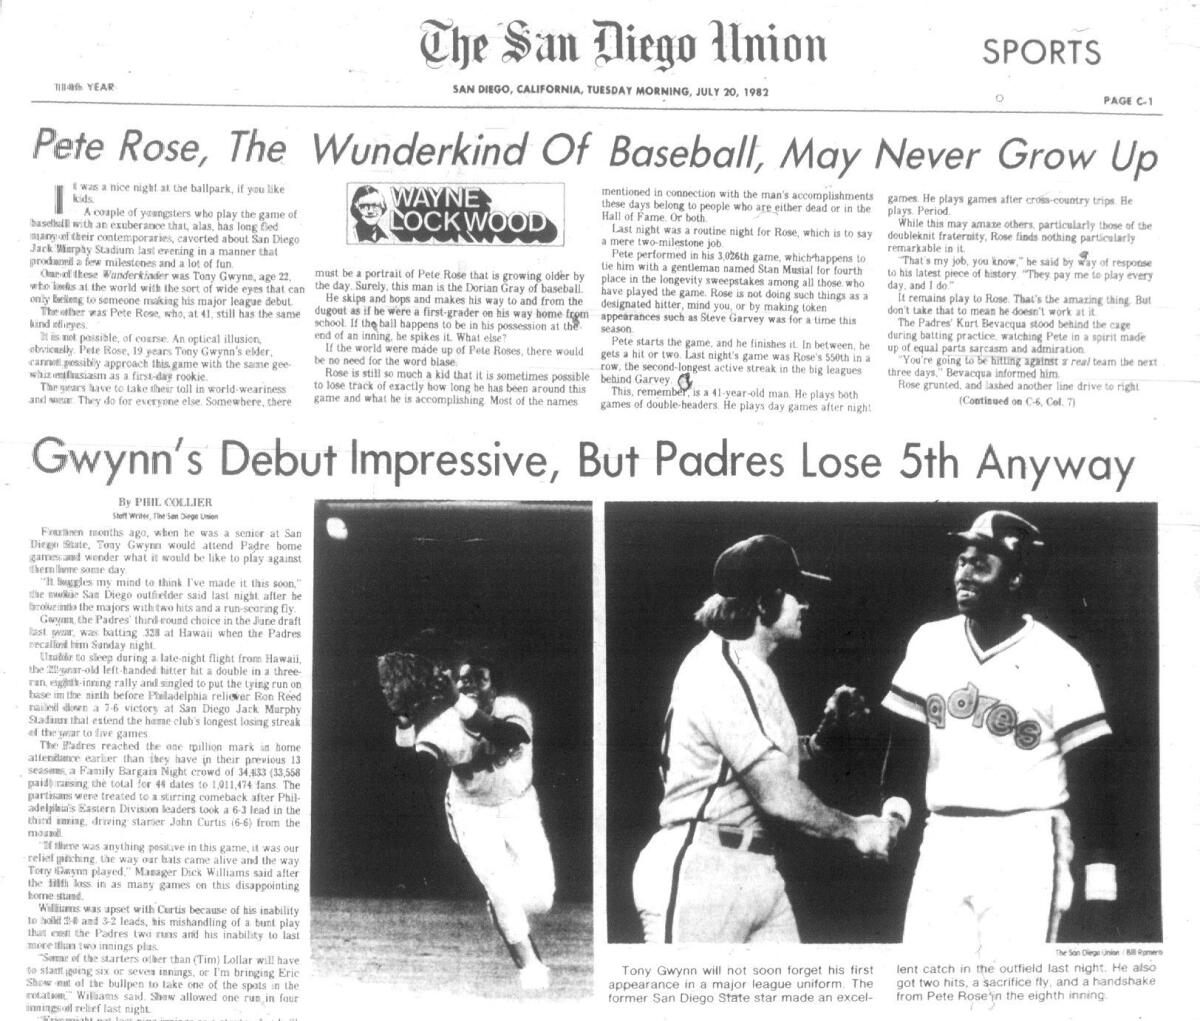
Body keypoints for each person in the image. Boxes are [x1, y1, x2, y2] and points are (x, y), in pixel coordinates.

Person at [632, 534, 897, 944]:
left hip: (755, 871)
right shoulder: (720, 670)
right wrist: (855, 828)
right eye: (795, 593)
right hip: (702, 868)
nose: (804, 604)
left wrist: (821, 739)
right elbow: (775, 792)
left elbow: (743, 765)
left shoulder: (748, 668)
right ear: (762, 602)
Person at [880, 510, 1117, 951]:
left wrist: (1100, 883)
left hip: (1024, 841)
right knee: (925, 990)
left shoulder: (1061, 662)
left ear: (1015, 579)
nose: (963, 573)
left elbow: (1096, 781)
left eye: (980, 564)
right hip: (943, 835)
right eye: (961, 561)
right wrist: (894, 816)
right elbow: (907, 746)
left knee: (1013, 996)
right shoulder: (929, 641)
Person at [382, 650, 556, 992]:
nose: (470, 683)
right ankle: (529, 965)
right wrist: (404, 726)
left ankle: (501, 907)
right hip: (471, 812)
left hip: (519, 806)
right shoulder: (445, 725)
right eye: (463, 678)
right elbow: (410, 771)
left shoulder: (512, 709)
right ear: (452, 685)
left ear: (494, 687)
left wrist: (458, 700)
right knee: (500, 886)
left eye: (480, 676)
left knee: (541, 898)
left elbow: (508, 737)